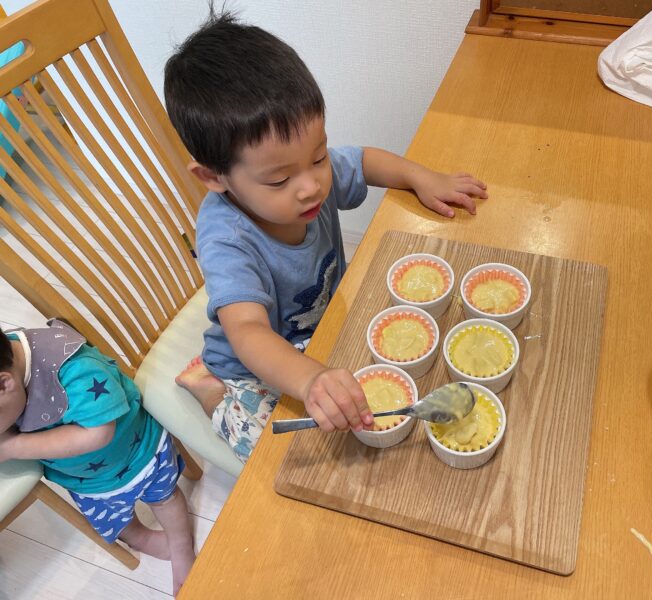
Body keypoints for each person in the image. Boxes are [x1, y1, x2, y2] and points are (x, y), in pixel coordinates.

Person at [166, 11, 488, 462]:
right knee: (277, 448)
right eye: (279, 180)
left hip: (325, 322)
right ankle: (207, 390)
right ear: (214, 177)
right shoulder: (227, 239)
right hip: (253, 364)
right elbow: (247, 332)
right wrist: (310, 379)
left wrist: (422, 177)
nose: (312, 185)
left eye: (317, 157)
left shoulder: (307, 174)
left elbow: (364, 160)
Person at [0, 321, 194, 596]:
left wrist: (13, 447)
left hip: (138, 452)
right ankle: (143, 539)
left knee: (166, 498)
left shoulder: (71, 369)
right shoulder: (9, 377)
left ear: (3, 384)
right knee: (118, 523)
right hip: (85, 481)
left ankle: (180, 543)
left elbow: (97, 433)